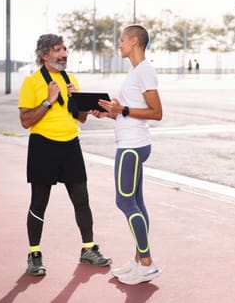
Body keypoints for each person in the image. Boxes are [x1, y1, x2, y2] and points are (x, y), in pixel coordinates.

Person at [18, 34, 112, 276]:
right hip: (43, 146)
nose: (64, 54)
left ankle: (88, 248)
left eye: (65, 49)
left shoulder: (71, 79)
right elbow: (25, 121)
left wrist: (80, 105)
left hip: (71, 145)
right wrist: (48, 102)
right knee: (39, 202)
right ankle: (34, 254)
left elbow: (80, 118)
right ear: (44, 55)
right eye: (58, 50)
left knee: (82, 199)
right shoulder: (32, 82)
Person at [91, 25, 163, 285]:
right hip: (131, 142)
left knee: (124, 202)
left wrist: (122, 109)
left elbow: (156, 112)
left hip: (132, 147)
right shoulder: (136, 72)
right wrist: (110, 112)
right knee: (137, 203)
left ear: (134, 41)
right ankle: (137, 260)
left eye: (121, 40)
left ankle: (147, 263)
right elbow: (128, 111)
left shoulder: (145, 71)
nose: (119, 44)